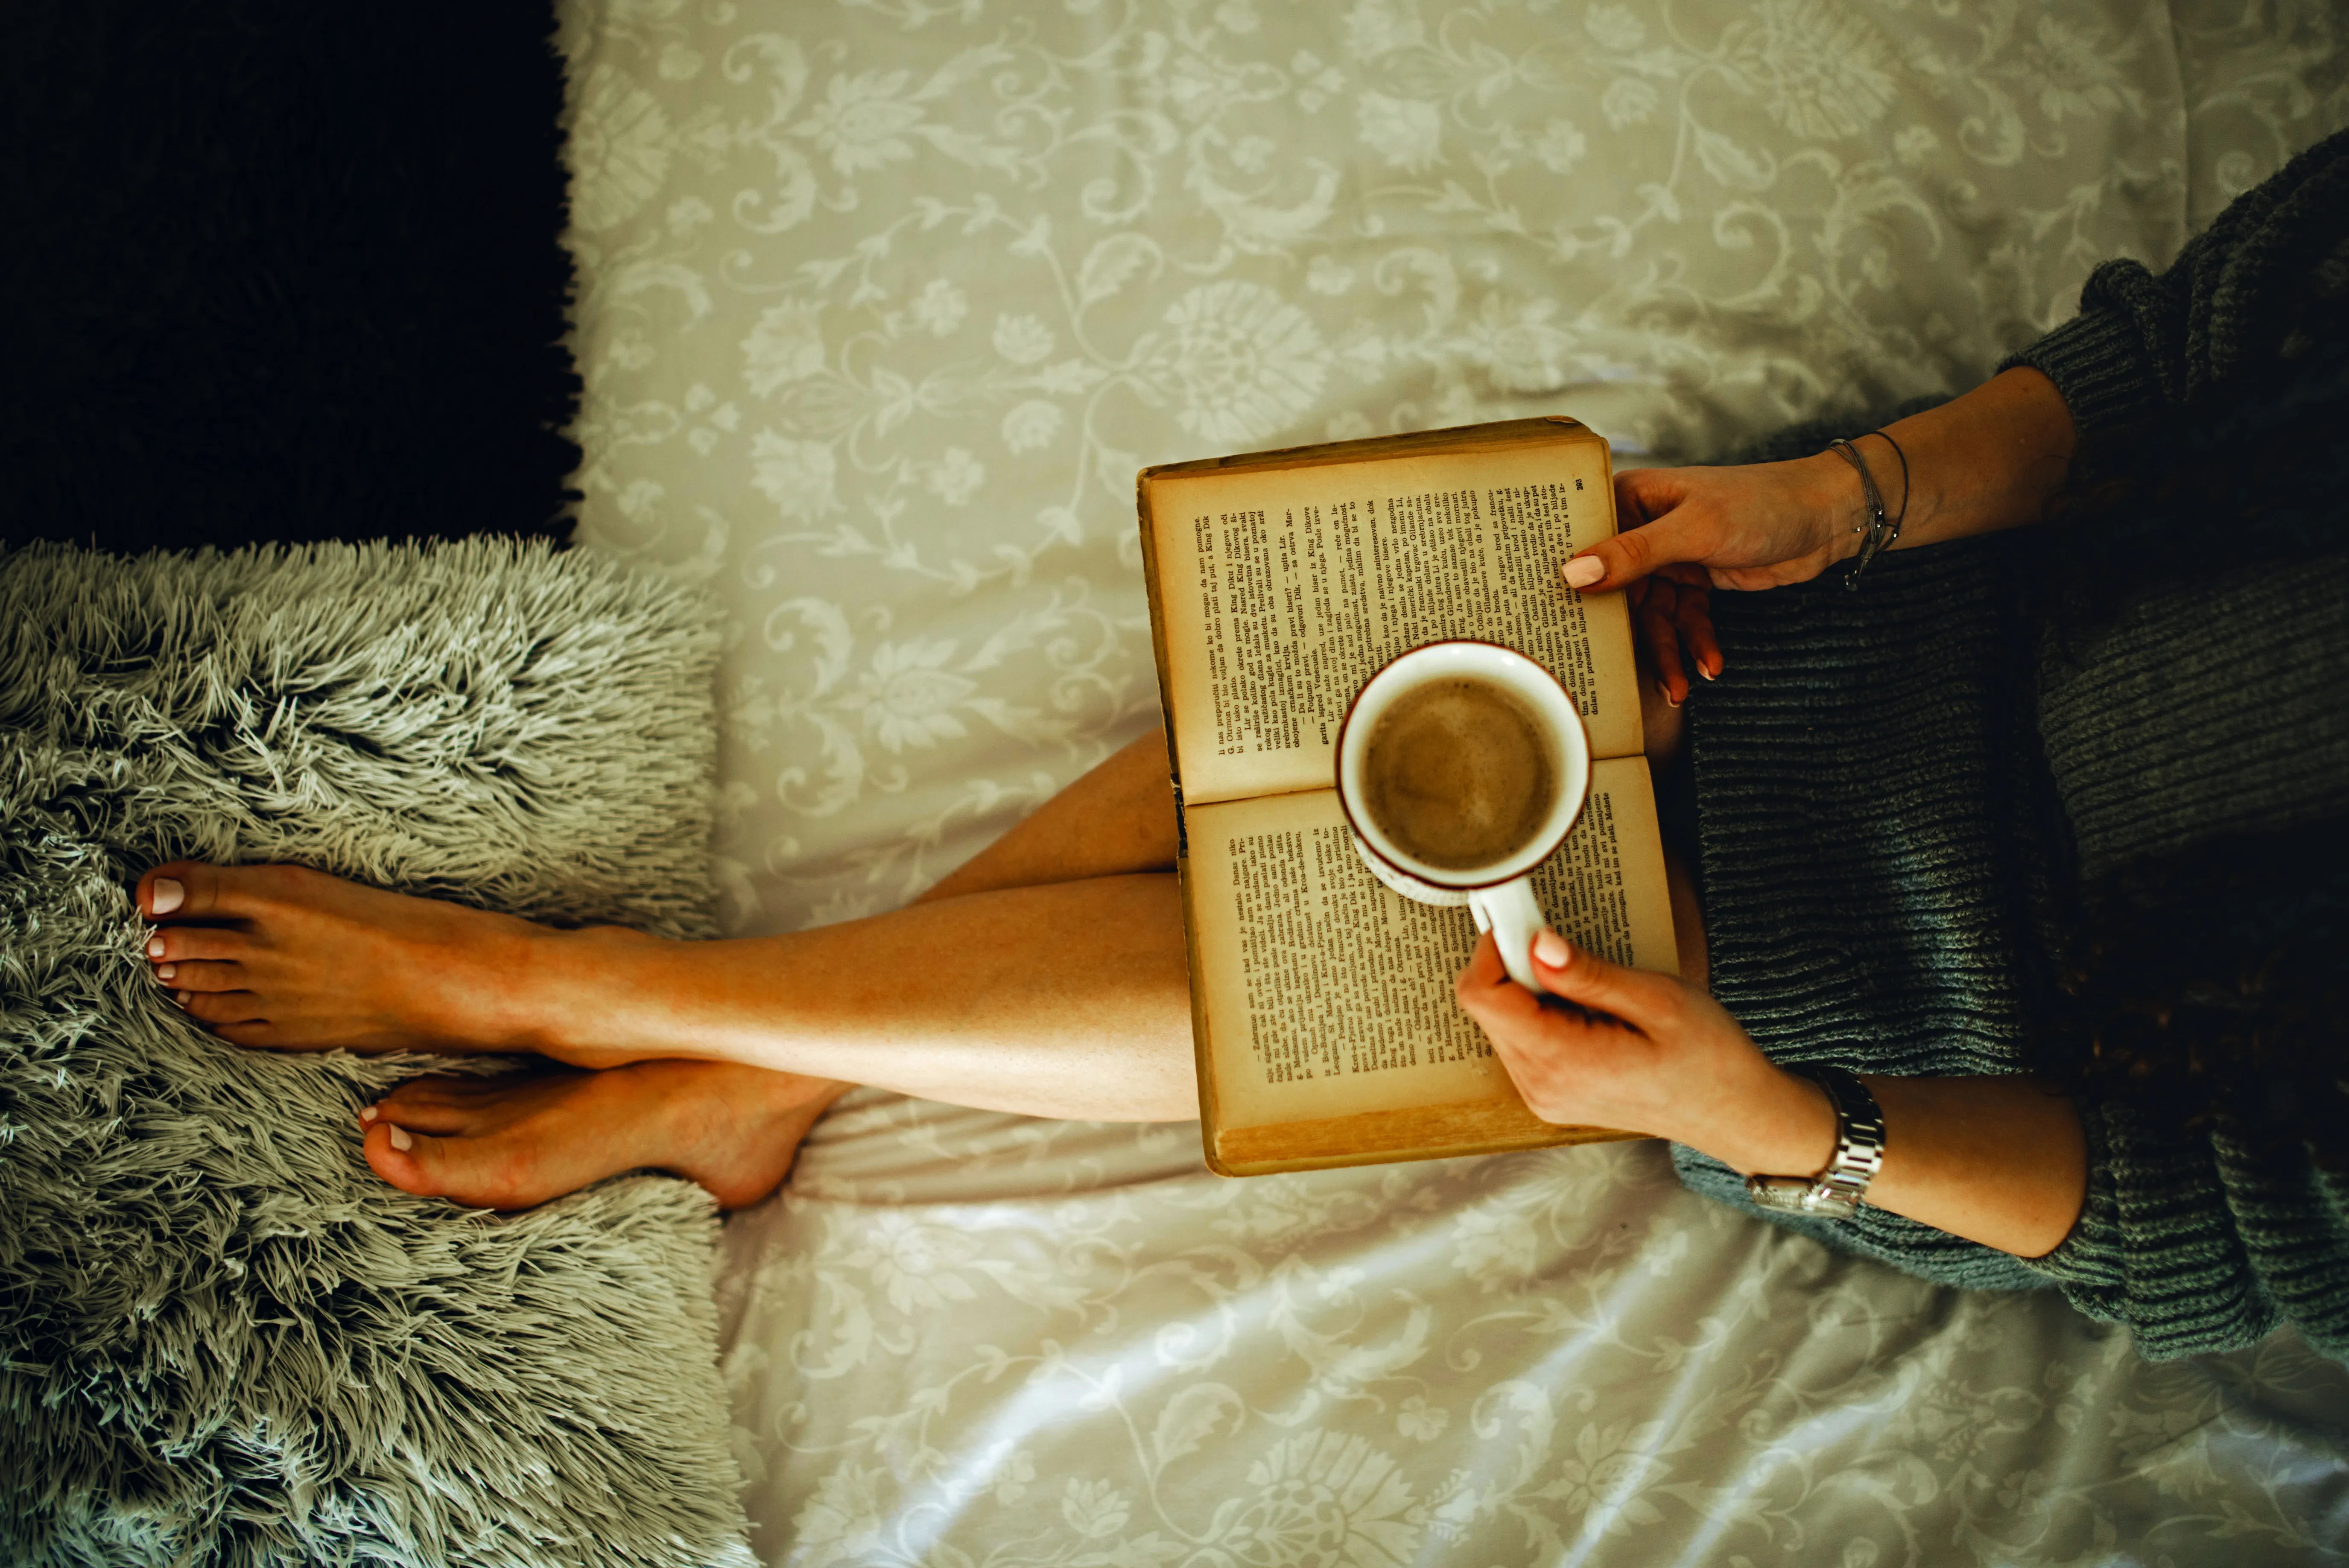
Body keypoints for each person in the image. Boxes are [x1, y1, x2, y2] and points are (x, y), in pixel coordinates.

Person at [135, 131, 2348, 1362]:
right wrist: (1838, 498)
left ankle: (568, 984)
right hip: (1849, 616)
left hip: (1919, 1022)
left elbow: (2208, 1225)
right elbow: (2187, 349)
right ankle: (749, 1084)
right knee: (1385, 628)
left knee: (1400, 965)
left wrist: (1775, 1118)